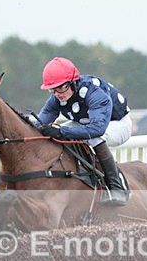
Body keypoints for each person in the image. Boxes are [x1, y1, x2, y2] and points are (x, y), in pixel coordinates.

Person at [35, 57, 131, 206]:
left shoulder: (94, 92)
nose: (57, 94)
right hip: (87, 124)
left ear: (73, 82)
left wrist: (61, 132)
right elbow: (40, 123)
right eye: (53, 89)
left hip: (117, 123)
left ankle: (117, 188)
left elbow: (97, 129)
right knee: (56, 130)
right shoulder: (57, 96)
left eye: (61, 88)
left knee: (92, 137)